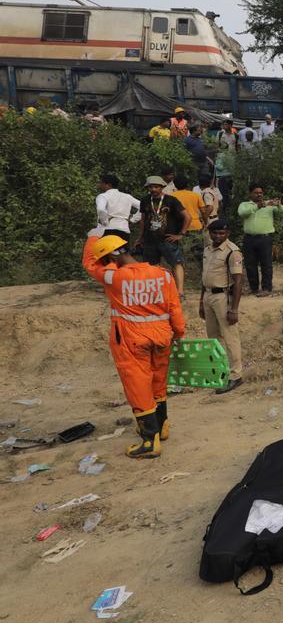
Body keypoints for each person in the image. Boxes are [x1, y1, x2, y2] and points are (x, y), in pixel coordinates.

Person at [82, 228, 185, 459]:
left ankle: (150, 441)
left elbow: (90, 265)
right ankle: (161, 426)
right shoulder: (163, 274)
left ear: (111, 258)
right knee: (158, 383)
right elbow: (174, 308)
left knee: (138, 387)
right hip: (162, 337)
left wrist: (92, 237)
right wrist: (179, 334)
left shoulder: (113, 277)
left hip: (132, 340)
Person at [200, 219, 245, 393]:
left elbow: (239, 281)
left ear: (227, 234)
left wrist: (234, 309)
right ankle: (220, 371)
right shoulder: (208, 249)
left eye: (221, 233)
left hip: (222, 297)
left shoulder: (232, 252)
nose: (218, 236)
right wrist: (201, 302)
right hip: (208, 296)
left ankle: (236, 376)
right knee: (213, 337)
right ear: (210, 233)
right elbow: (204, 277)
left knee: (230, 336)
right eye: (215, 233)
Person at [137, 175, 190, 293]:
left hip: (168, 239)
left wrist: (181, 234)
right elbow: (143, 219)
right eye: (151, 187)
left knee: (176, 263)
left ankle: (180, 291)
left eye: (156, 187)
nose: (153, 190)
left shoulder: (171, 200)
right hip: (150, 239)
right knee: (152, 267)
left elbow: (187, 217)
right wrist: (140, 237)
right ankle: (155, 291)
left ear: (162, 187)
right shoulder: (145, 200)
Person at [237, 183, 283, 297]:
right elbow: (242, 213)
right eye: (256, 192)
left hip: (265, 239)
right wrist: (258, 206)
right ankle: (253, 288)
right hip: (249, 239)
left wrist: (279, 205)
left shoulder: (269, 205)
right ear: (250, 194)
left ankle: (266, 288)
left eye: (261, 193)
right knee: (250, 265)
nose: (259, 195)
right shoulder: (245, 205)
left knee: (266, 264)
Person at [170, 173, 206, 259]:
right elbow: (203, 211)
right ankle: (202, 270)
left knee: (182, 253)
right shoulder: (195, 195)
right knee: (199, 252)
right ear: (187, 184)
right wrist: (205, 222)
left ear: (174, 184)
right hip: (196, 226)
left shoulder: (171, 196)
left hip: (180, 227)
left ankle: (183, 270)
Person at [96, 173, 141, 239]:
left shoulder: (103, 196)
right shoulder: (127, 196)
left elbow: (100, 209)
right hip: (124, 230)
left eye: (101, 183)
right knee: (123, 249)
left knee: (107, 249)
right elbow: (143, 205)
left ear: (108, 185)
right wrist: (133, 219)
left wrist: (104, 222)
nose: (100, 185)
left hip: (108, 230)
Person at [197, 173, 223, 245]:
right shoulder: (212, 191)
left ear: (199, 184)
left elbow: (210, 207)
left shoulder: (207, 193)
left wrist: (205, 219)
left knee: (209, 242)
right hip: (213, 218)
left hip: (209, 219)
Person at [214, 148, 234, 217]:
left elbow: (220, 167)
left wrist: (215, 165)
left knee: (223, 195)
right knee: (229, 193)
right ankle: (229, 209)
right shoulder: (230, 155)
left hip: (222, 177)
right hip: (230, 176)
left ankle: (224, 211)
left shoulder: (220, 156)